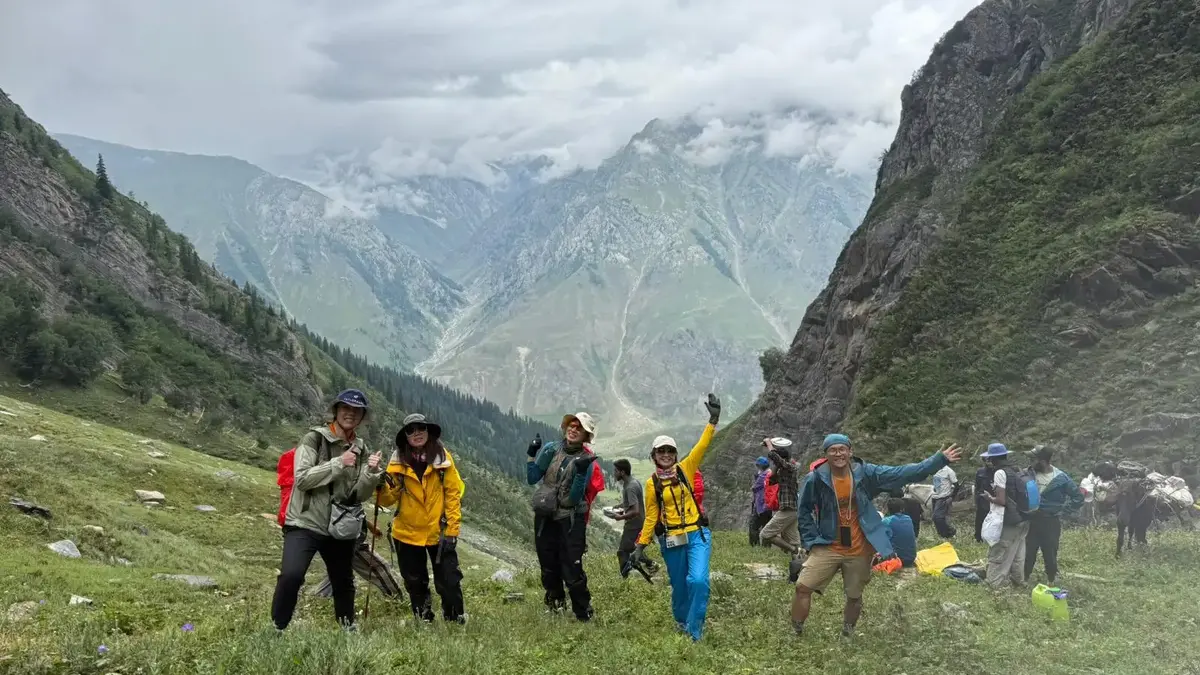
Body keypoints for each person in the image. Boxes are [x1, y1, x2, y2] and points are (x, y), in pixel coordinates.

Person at [792, 433, 962, 637]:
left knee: (854, 596)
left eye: (842, 449)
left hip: (859, 547)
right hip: (828, 545)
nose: (838, 454)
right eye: (833, 450)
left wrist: (939, 460)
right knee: (803, 586)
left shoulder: (866, 473)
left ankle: (847, 634)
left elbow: (902, 473)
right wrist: (811, 541)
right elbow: (803, 511)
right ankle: (796, 632)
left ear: (850, 451)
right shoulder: (816, 478)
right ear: (826, 454)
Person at [271, 389, 385, 631]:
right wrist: (338, 463)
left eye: (356, 411)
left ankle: (347, 629)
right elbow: (302, 479)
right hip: (305, 521)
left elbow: (357, 495)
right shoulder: (314, 439)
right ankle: (277, 628)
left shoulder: (361, 448)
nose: (350, 414)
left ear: (362, 417)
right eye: (345, 408)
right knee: (291, 575)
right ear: (336, 411)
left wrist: (371, 474)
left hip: (338, 525)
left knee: (343, 580)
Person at [630, 394, 721, 641]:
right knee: (680, 585)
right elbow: (651, 518)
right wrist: (640, 545)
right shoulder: (652, 484)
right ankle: (682, 622)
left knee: (698, 580)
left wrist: (713, 420)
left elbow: (702, 446)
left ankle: (694, 632)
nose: (667, 454)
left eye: (670, 450)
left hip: (697, 533)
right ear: (654, 455)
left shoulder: (686, 468)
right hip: (671, 538)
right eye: (662, 451)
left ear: (676, 453)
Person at [376, 413, 466, 623]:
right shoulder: (397, 462)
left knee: (449, 580)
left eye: (420, 428)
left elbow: (453, 494)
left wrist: (452, 530)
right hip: (407, 532)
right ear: (405, 436)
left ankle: (455, 619)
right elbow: (387, 500)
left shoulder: (443, 458)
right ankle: (424, 619)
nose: (416, 433)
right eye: (411, 430)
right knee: (415, 582)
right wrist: (377, 486)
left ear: (428, 431)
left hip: (440, 531)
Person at [526, 411, 605, 620]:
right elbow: (532, 477)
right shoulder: (551, 449)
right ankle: (555, 606)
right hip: (546, 516)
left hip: (571, 520)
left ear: (586, 436)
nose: (574, 429)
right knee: (548, 563)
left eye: (580, 428)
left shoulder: (587, 461)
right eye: (572, 424)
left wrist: (580, 474)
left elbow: (572, 499)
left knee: (572, 566)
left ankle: (583, 613)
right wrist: (531, 454)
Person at [1023, 446, 1084, 584]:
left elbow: (1078, 497)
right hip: (1031, 520)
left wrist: (1063, 511)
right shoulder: (1028, 473)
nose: (1030, 462)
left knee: (1050, 552)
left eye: (1033, 459)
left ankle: (1051, 580)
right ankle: (1024, 579)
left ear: (1042, 461)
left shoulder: (1061, 478)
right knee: (1028, 551)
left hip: (1050, 521)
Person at [979, 443, 1027, 589]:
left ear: (993, 459)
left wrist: (989, 497)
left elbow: (1001, 500)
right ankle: (1018, 581)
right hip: (1023, 518)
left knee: (999, 550)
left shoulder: (1000, 473)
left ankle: (993, 584)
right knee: (1018, 552)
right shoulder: (1016, 470)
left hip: (1010, 520)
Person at [758, 437, 804, 581]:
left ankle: (793, 551)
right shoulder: (784, 471)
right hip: (790, 509)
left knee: (766, 534)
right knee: (795, 543)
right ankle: (797, 576)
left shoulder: (790, 467)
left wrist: (770, 445)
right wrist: (775, 466)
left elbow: (776, 459)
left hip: (788, 509)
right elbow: (772, 480)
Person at [609, 459, 656, 576]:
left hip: (634, 524)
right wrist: (620, 506)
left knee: (622, 551)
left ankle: (627, 577)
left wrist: (620, 517)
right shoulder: (632, 482)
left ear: (622, 472)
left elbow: (634, 510)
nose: (614, 473)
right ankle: (651, 565)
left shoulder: (630, 487)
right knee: (630, 548)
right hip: (637, 522)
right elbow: (633, 503)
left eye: (616, 471)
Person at [882, 499, 917, 567]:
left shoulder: (886, 521)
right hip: (911, 558)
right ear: (902, 509)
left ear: (888, 509)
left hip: (896, 559)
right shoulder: (908, 518)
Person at [930, 463, 959, 538]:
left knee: (938, 517)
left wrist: (951, 497)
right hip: (935, 497)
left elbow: (957, 486)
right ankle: (943, 535)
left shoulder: (949, 471)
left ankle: (951, 532)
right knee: (935, 518)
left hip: (943, 497)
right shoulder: (934, 468)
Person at [749, 457, 773, 546]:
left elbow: (754, 488)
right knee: (766, 526)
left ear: (759, 466)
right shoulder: (770, 473)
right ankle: (766, 546)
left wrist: (757, 476)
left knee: (753, 525)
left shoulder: (763, 475)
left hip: (761, 504)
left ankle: (755, 545)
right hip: (768, 504)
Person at [974, 461, 993, 542]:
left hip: (994, 499)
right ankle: (978, 538)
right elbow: (977, 487)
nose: (988, 462)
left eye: (990, 460)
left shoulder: (999, 471)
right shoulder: (980, 471)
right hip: (982, 499)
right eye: (986, 460)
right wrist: (976, 499)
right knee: (980, 519)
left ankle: (990, 538)